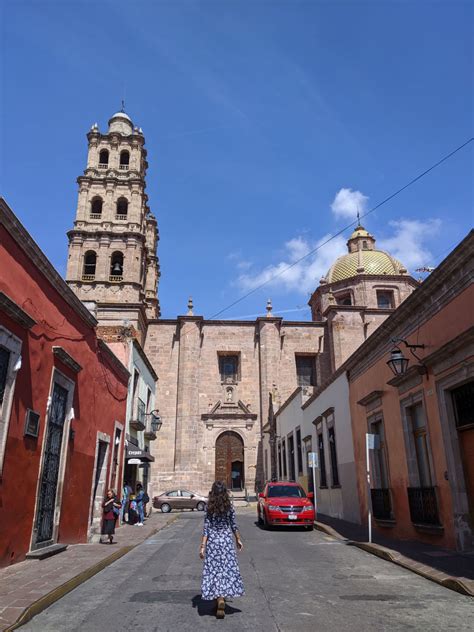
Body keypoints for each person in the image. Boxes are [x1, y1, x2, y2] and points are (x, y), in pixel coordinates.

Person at [200, 481, 244, 619]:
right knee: (225, 570)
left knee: (214, 571)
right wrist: (238, 539)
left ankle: (218, 598)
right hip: (226, 542)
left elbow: (206, 528)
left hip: (213, 542)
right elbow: (233, 524)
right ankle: (222, 598)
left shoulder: (209, 507)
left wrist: (202, 546)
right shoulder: (229, 506)